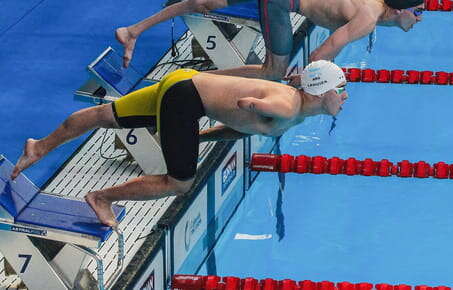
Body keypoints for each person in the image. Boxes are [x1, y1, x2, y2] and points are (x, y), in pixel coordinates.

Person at [10, 60, 347, 228]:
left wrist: (200, 135)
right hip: (185, 100)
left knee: (104, 115)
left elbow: (240, 129)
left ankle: (38, 146)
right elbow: (257, 108)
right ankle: (101, 197)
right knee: (180, 183)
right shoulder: (288, 106)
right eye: (341, 89)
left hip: (183, 80)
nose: (344, 97)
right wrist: (254, 104)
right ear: (323, 91)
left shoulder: (298, 109)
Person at [116, 0, 425, 80]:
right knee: (274, 71)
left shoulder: (371, 8)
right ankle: (193, 79)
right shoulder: (367, 20)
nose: (420, 17)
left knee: (202, 4)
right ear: (398, 10)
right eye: (418, 11)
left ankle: (132, 31)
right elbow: (320, 54)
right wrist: (313, 81)